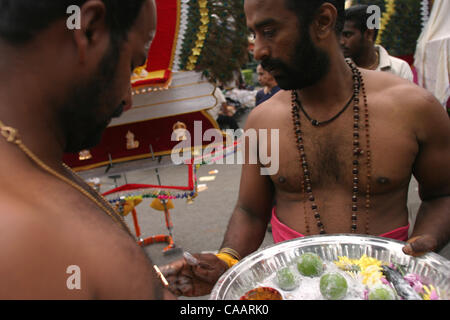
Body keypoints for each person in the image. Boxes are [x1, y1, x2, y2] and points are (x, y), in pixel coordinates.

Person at [161, 0, 450, 297]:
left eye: (269, 31)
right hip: (294, 288)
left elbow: (442, 194)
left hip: (384, 286)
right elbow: (250, 210)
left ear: (323, 20)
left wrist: (420, 248)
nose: (258, 50)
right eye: (254, 35)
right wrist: (226, 260)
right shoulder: (263, 121)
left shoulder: (414, 108)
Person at [0, 0, 173, 299]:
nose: (127, 100)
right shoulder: (19, 238)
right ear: (90, 30)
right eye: (131, 64)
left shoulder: (38, 160)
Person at [340, 4, 414, 81]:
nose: (341, 41)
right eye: (338, 35)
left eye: (347, 35)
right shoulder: (337, 68)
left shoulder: (399, 69)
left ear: (369, 34)